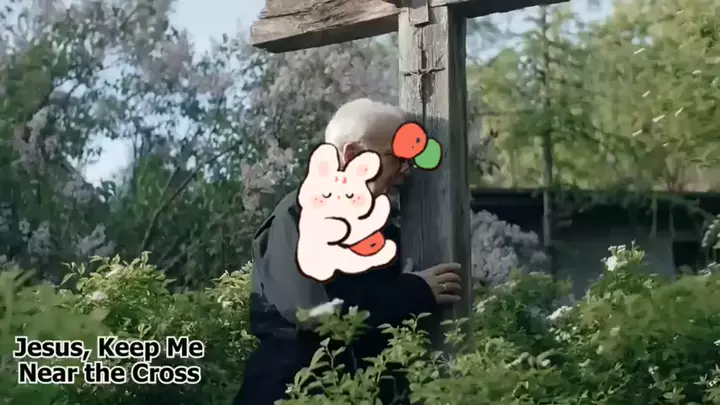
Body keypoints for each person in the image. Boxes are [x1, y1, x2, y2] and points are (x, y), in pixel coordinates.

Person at [234, 98, 462, 405]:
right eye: (396, 157)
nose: (405, 172)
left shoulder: (382, 233)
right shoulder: (298, 217)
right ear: (353, 155)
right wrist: (414, 290)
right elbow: (316, 314)